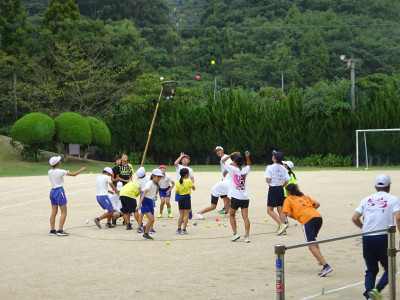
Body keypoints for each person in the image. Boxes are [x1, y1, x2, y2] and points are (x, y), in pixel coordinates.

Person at [352, 174, 400, 300]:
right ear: (389, 187)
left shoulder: (366, 199)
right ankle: (376, 290)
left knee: (371, 269)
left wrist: (365, 228)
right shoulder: (393, 199)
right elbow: (398, 217)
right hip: (383, 237)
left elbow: (354, 218)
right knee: (390, 268)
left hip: (367, 237)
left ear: (375, 187)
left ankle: (369, 295)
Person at [283, 183, 333, 277]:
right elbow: (317, 204)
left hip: (307, 220)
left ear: (288, 191)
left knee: (310, 245)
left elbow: (288, 214)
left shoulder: (288, 199)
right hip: (318, 217)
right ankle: (320, 259)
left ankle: (326, 266)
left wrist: (298, 216)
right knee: (313, 239)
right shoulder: (304, 196)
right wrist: (309, 211)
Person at [48, 156, 86, 236]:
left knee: (53, 212)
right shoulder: (61, 171)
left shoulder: (49, 171)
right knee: (64, 212)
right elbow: (74, 174)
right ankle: (60, 230)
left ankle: (52, 230)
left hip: (52, 191)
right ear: (58, 163)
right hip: (59, 191)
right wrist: (82, 169)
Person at [222, 151, 251, 243]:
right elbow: (249, 165)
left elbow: (223, 161)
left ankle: (235, 234)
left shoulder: (232, 169)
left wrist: (231, 154)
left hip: (235, 197)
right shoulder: (245, 170)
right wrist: (247, 157)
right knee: (245, 217)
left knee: (231, 215)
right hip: (245, 197)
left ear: (234, 162)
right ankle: (246, 236)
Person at [265, 150, 290, 235]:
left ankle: (281, 225)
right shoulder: (283, 168)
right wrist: (282, 186)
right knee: (280, 210)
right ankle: (283, 230)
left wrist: (269, 181)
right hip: (280, 188)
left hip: (273, 189)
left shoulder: (270, 167)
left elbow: (268, 180)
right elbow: (287, 180)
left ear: (274, 158)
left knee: (269, 210)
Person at [137, 169, 163, 240]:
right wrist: (139, 204)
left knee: (152, 220)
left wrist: (155, 195)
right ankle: (145, 232)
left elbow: (155, 191)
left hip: (150, 202)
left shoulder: (155, 184)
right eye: (158, 177)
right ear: (153, 176)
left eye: (160, 177)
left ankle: (146, 232)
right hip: (145, 201)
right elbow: (143, 194)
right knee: (151, 219)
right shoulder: (149, 183)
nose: (159, 179)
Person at [174, 152, 195, 219]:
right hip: (179, 187)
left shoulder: (190, 169)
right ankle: (182, 215)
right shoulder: (179, 167)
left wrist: (190, 184)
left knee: (186, 200)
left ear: (189, 161)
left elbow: (192, 178)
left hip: (186, 188)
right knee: (179, 201)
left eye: (186, 158)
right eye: (183, 158)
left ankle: (189, 210)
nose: (184, 159)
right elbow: (175, 163)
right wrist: (180, 156)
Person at [175, 168, 195, 235]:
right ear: (186, 174)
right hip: (186, 198)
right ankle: (184, 230)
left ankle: (178, 229)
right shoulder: (188, 181)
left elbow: (177, 191)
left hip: (180, 198)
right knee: (186, 215)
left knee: (181, 215)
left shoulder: (178, 182)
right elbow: (194, 188)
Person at [214, 146, 232, 215]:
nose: (217, 152)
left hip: (228, 178)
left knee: (225, 194)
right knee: (225, 194)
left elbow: (231, 165)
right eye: (216, 151)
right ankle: (228, 207)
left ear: (222, 150)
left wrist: (226, 171)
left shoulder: (226, 157)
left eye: (219, 150)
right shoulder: (222, 158)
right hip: (226, 178)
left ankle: (227, 207)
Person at [282, 160, 298, 224]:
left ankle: (285, 221)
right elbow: (295, 184)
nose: (283, 165)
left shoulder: (283, 172)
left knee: (283, 208)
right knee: (290, 207)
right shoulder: (292, 174)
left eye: (284, 164)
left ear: (286, 166)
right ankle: (292, 216)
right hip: (291, 193)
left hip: (284, 193)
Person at [136, 167, 150, 233]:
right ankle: (151, 228)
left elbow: (139, 190)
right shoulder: (148, 178)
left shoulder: (138, 181)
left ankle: (139, 227)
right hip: (149, 195)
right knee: (150, 211)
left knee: (142, 212)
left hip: (142, 195)